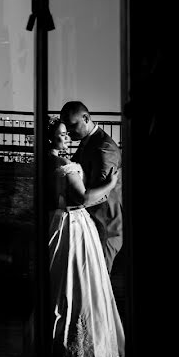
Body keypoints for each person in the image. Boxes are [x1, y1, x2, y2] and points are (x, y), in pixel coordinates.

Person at [47, 118, 124, 357]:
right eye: (62, 135)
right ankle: (78, 346)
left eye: (68, 134)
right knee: (80, 280)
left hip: (60, 221)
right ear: (52, 138)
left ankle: (62, 340)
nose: (67, 138)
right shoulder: (62, 164)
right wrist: (111, 184)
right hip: (74, 223)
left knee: (62, 280)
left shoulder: (48, 162)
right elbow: (82, 199)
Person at [59, 101, 123, 274]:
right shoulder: (88, 142)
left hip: (104, 228)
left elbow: (100, 195)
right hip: (90, 223)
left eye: (72, 126)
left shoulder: (104, 148)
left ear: (85, 118)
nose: (69, 132)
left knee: (98, 284)